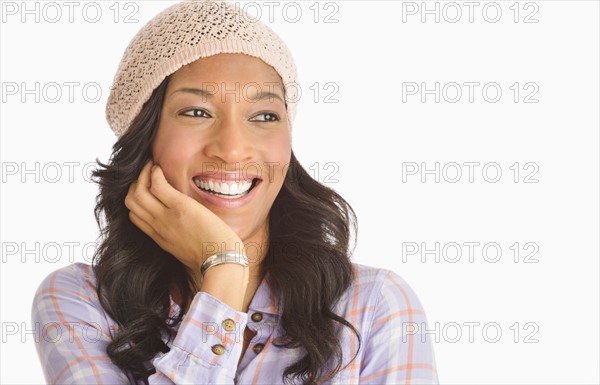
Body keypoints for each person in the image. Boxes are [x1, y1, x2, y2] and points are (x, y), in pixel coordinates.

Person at [31, 0, 438, 383]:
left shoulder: (375, 307)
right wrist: (223, 270)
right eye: (196, 112)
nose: (232, 149)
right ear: (144, 137)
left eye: (264, 115)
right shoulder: (80, 303)